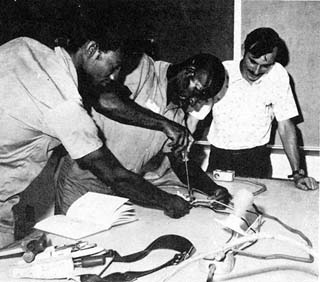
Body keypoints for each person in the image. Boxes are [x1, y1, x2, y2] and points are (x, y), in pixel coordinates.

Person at [0, 33, 196, 247]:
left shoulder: (24, 46)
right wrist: (167, 201)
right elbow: (116, 177)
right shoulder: (66, 107)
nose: (114, 77)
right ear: (92, 49)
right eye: (113, 67)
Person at [55, 52, 232, 214]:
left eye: (201, 99)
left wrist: (213, 189)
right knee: (71, 245)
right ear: (188, 72)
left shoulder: (177, 115)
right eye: (197, 93)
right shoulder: (141, 68)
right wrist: (163, 124)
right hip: (82, 182)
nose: (194, 102)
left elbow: (180, 165)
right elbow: (105, 101)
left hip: (120, 190)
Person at [206, 27, 318, 191]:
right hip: (220, 158)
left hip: (256, 161)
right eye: (252, 61)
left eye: (265, 65)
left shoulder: (278, 75)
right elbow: (193, 120)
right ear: (244, 49)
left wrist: (297, 173)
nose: (256, 71)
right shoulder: (221, 72)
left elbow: (286, 126)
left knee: (255, 210)